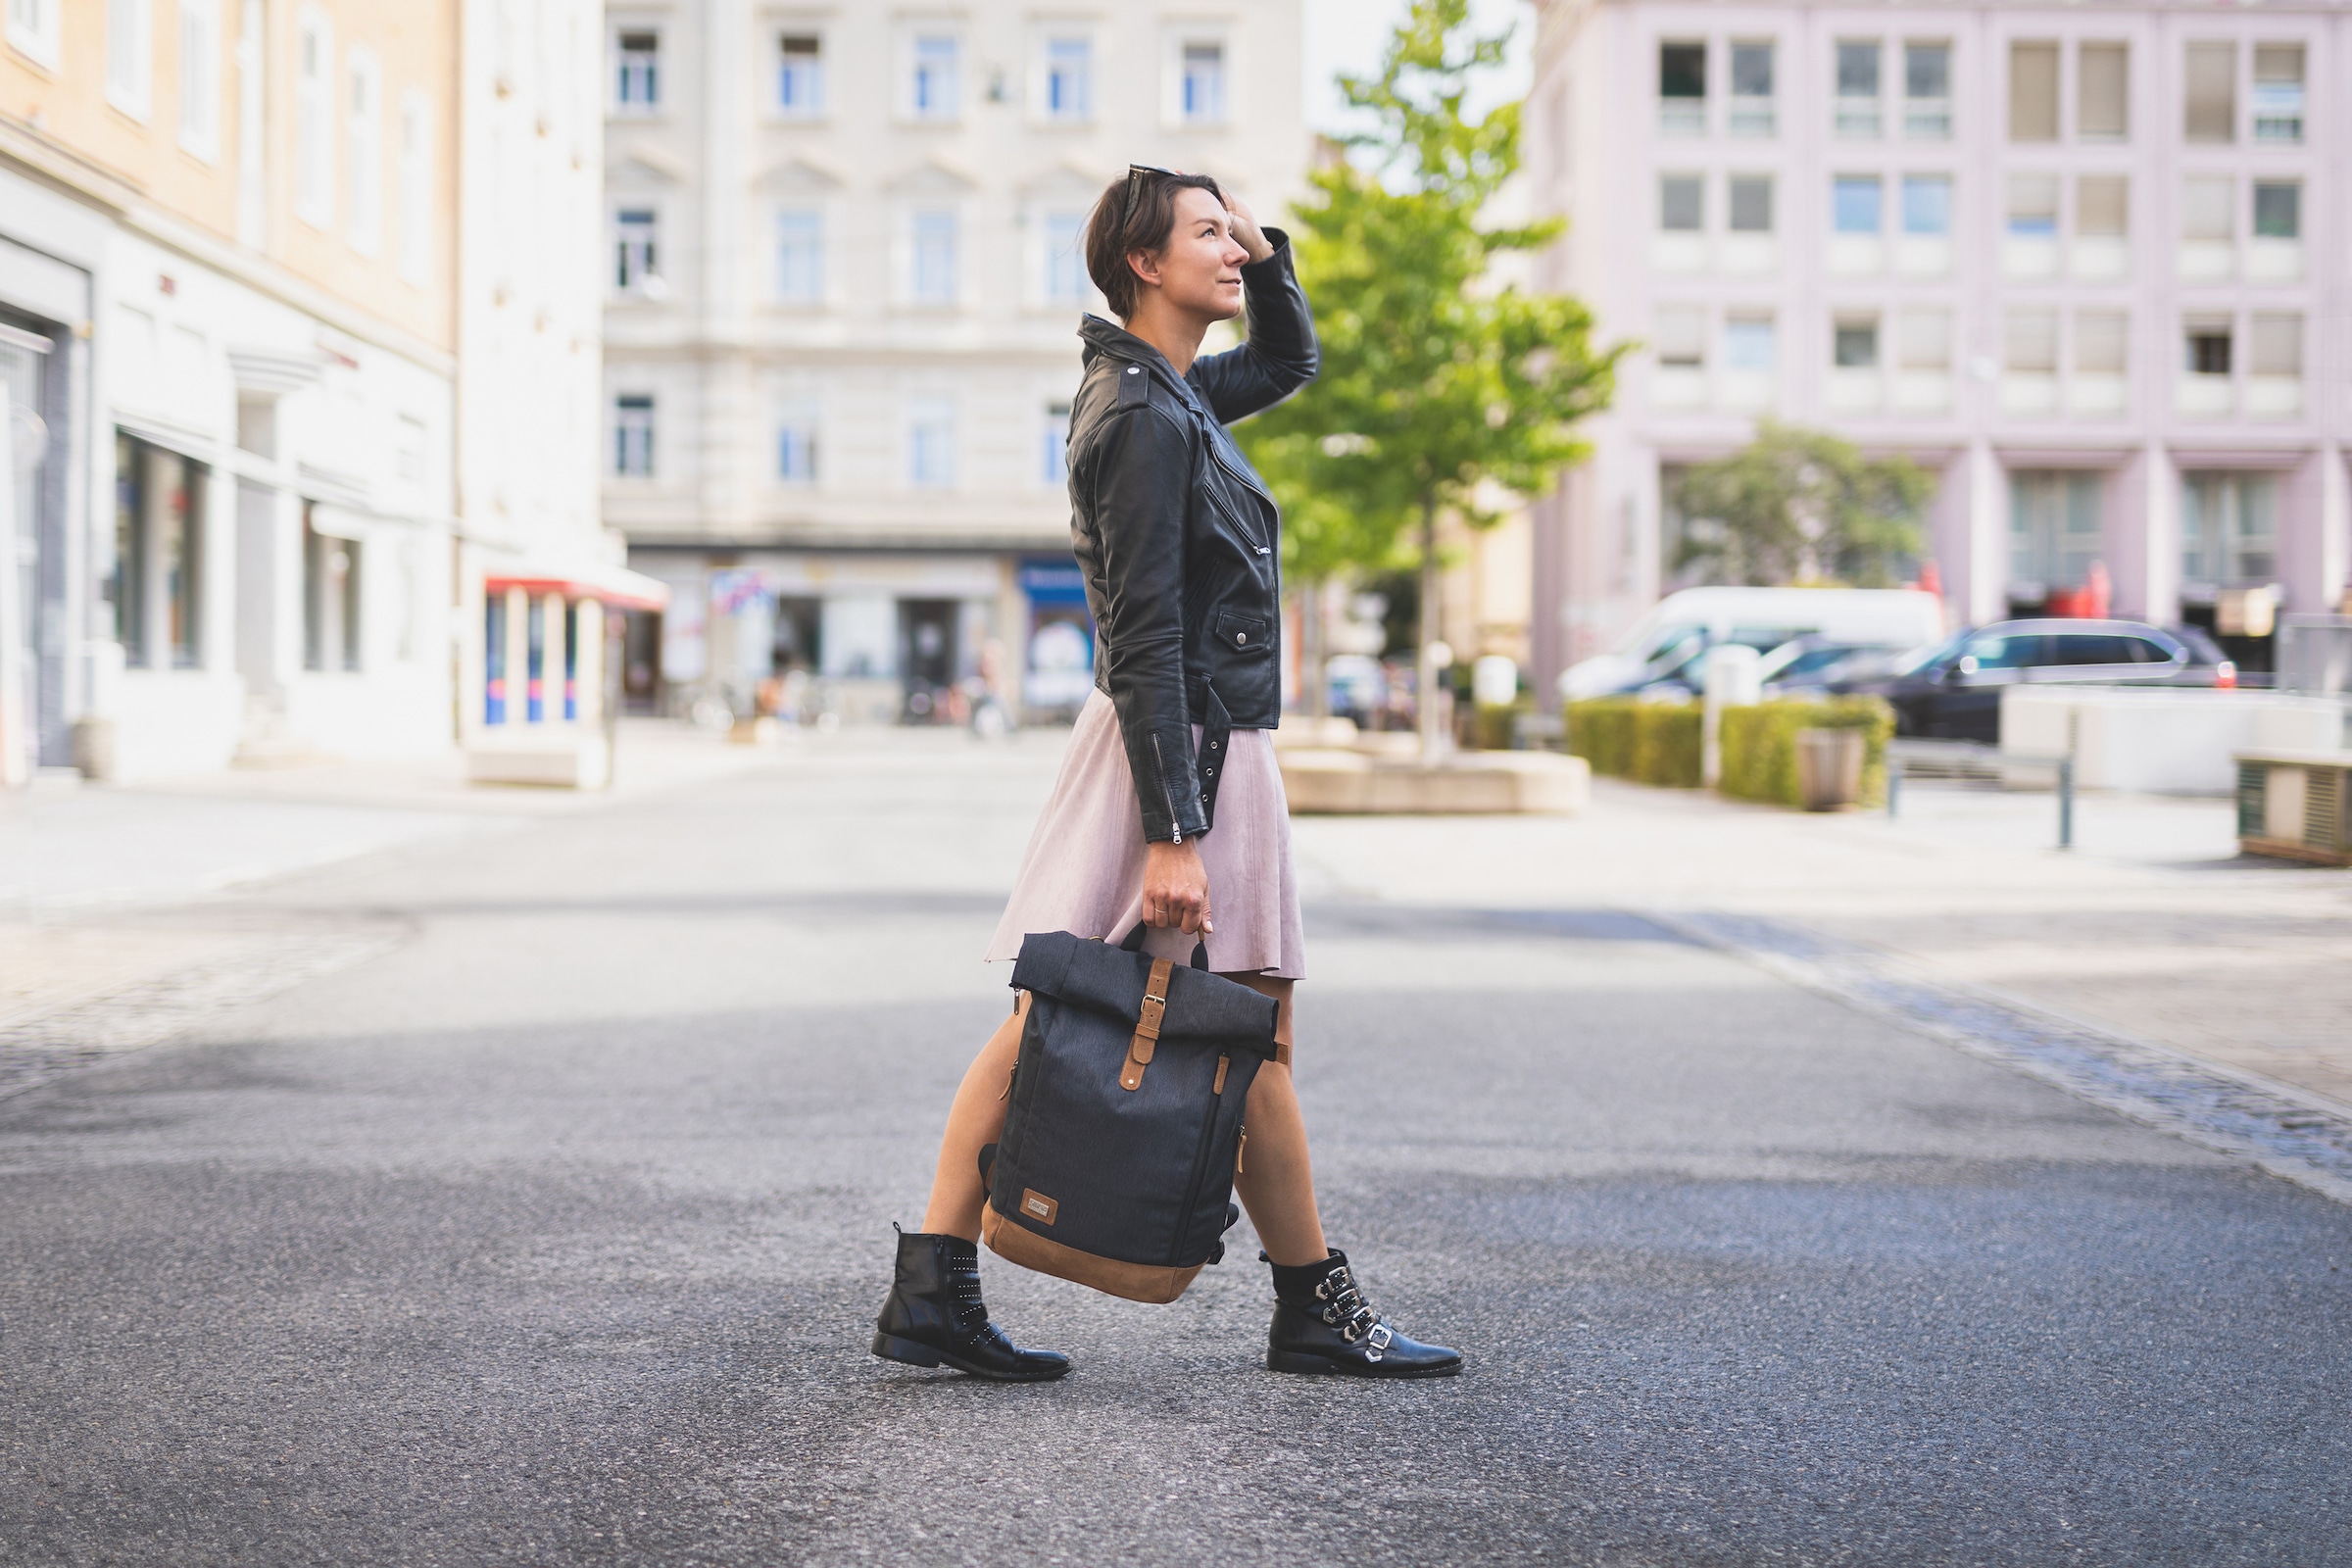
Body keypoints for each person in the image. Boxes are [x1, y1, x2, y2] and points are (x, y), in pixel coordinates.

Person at [871, 167, 1460, 1383]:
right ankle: (1302, 1300)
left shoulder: (1172, 395)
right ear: (1145, 262)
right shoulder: (1141, 416)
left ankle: (950, 1283)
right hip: (1181, 750)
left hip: (1203, 746)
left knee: (1227, 1028)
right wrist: (1173, 829)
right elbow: (1142, 629)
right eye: (1206, 234)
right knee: (1110, 1018)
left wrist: (1261, 243)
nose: (1230, 254)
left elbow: (1288, 361)